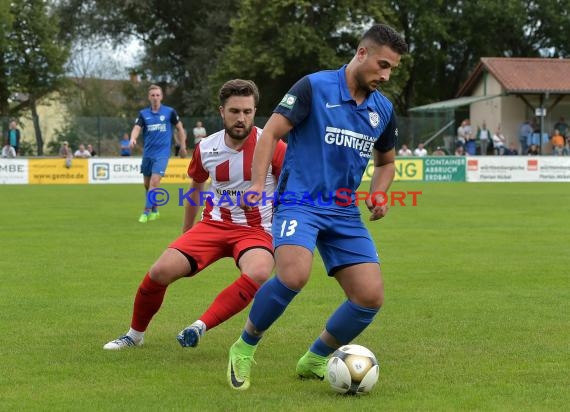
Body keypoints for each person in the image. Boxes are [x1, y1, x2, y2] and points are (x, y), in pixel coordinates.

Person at [226, 23, 408, 391]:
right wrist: (258, 185)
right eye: (383, 65)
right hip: (300, 201)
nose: (386, 75)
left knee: (369, 297)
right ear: (361, 54)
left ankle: (316, 357)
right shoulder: (314, 86)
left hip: (343, 210)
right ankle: (243, 347)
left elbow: (386, 162)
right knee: (293, 275)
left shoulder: (382, 109)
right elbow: (272, 132)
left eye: (392, 69)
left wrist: (380, 191)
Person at [103, 79, 287, 351]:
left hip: (257, 230)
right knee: (160, 271)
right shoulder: (206, 147)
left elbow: (289, 192)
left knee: (259, 272)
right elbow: (196, 189)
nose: (241, 118)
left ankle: (199, 326)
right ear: (221, 111)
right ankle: (134, 335)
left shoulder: (273, 146)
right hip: (213, 225)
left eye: (247, 112)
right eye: (235, 111)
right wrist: (187, 232)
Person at [129, 84, 187, 223]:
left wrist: (183, 146)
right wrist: (133, 138)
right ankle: (155, 209)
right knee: (147, 184)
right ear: (149, 97)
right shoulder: (143, 114)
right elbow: (137, 128)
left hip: (162, 153)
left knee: (154, 182)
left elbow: (180, 128)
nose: (155, 97)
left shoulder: (169, 112)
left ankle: (146, 212)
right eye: (153, 95)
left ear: (161, 96)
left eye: (157, 95)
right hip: (148, 153)